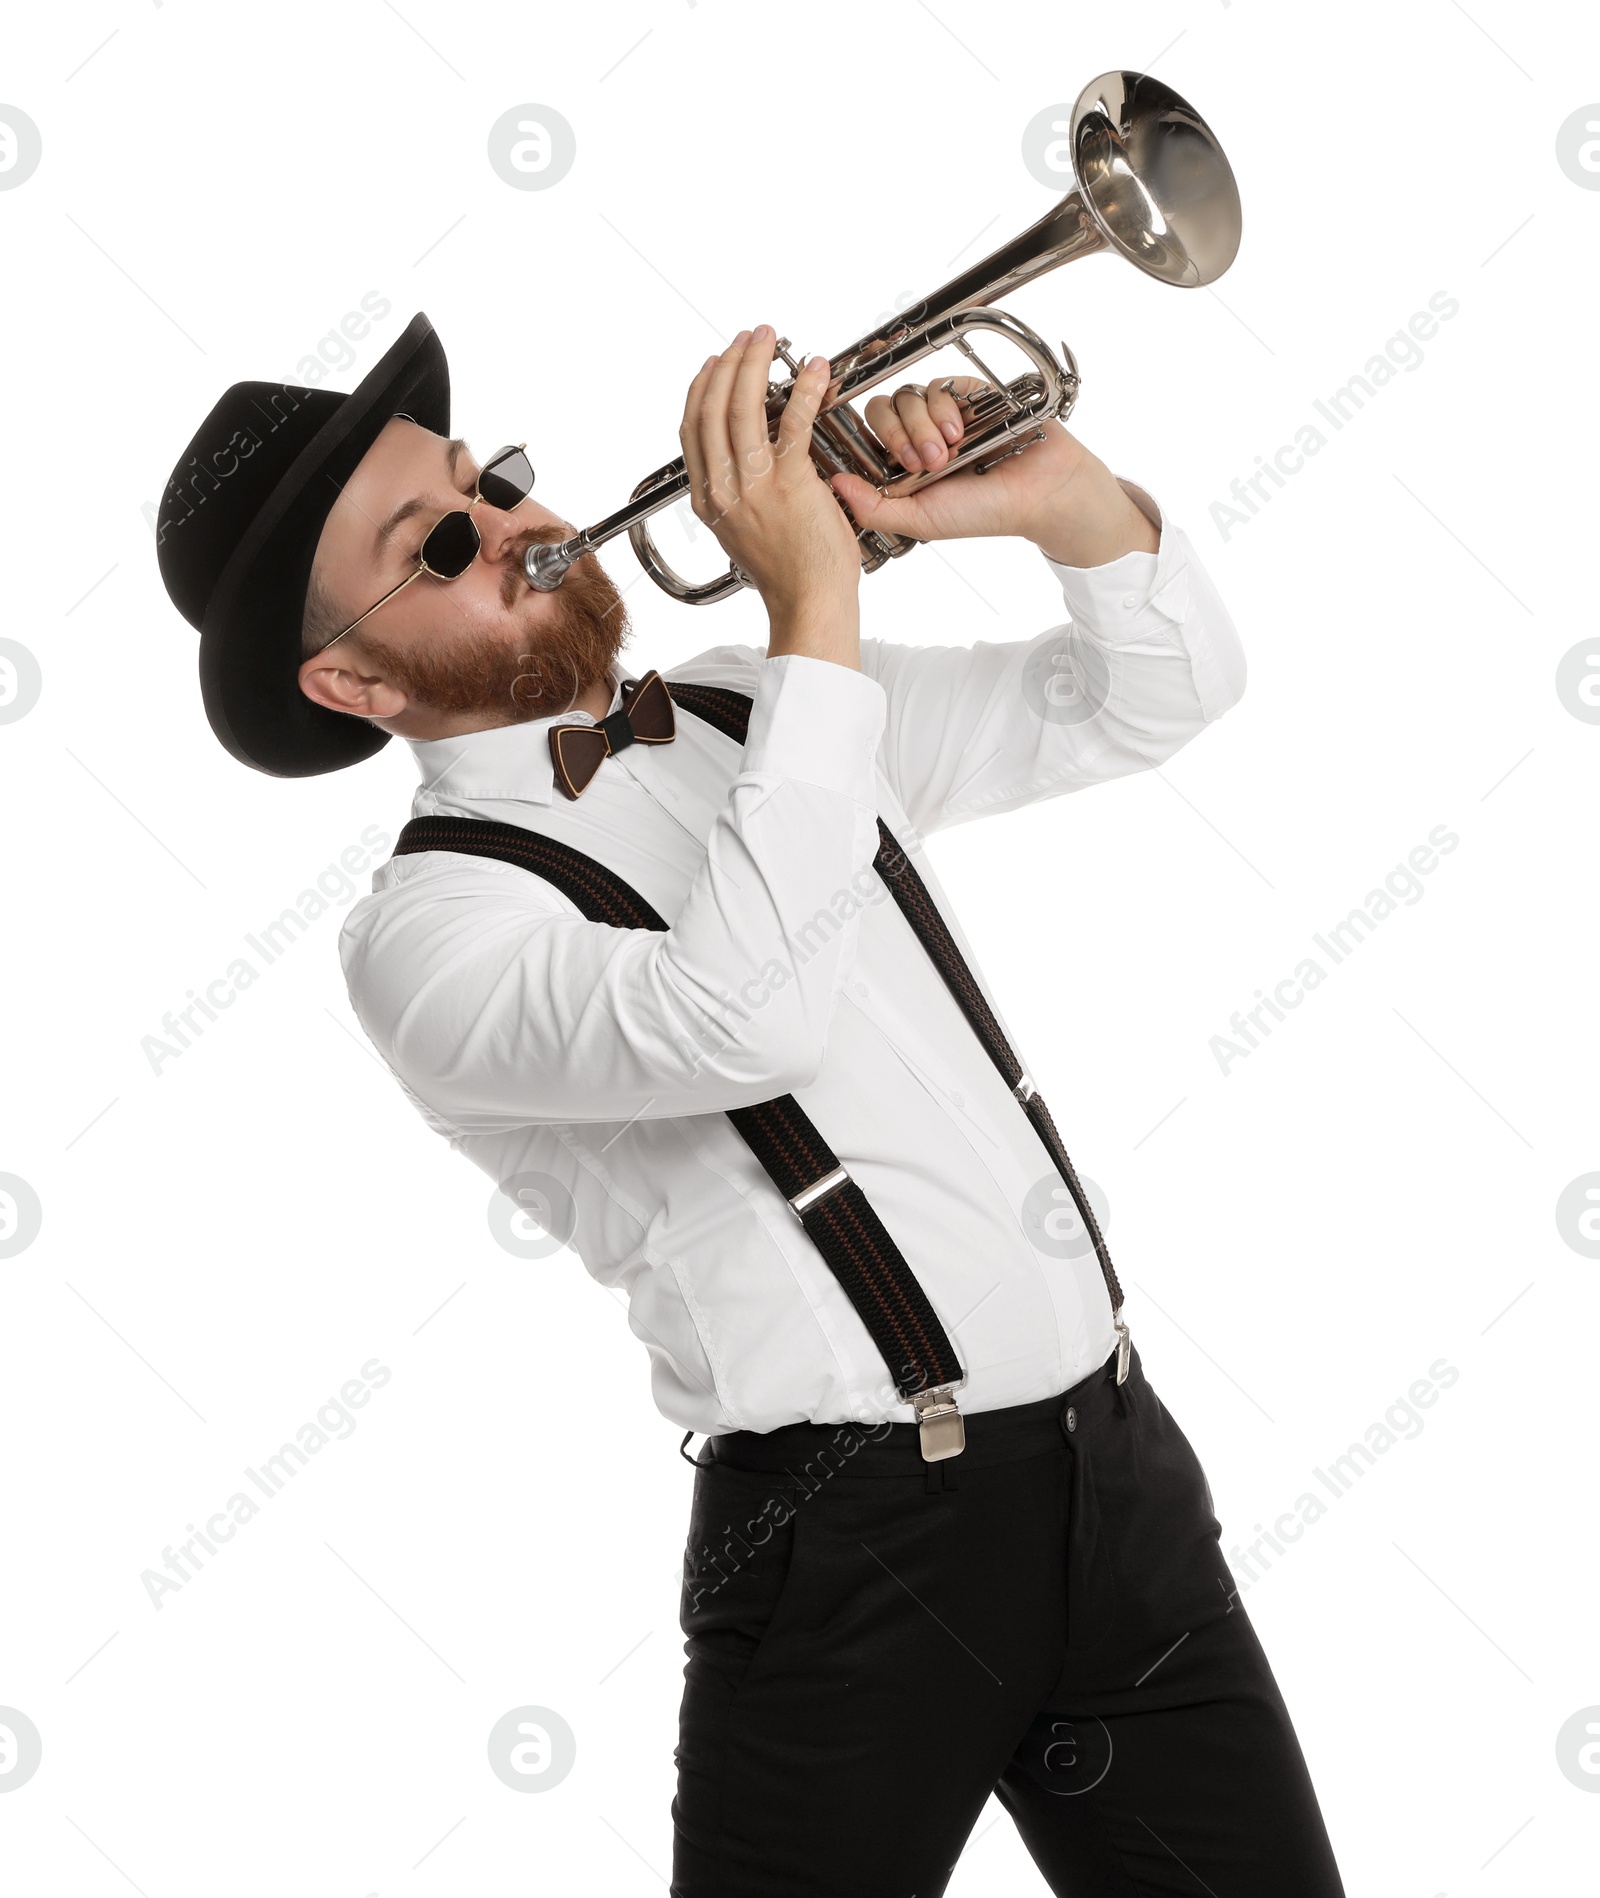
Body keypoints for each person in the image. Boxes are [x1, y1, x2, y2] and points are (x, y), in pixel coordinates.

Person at [158, 311, 1345, 1896]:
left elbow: (1159, 692)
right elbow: (742, 1017)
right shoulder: (428, 939)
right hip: (855, 1556)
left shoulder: (747, 710)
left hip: (1117, 1475)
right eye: (442, 535)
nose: (522, 523)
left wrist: (1061, 498)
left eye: (493, 476)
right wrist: (814, 607)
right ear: (354, 676)